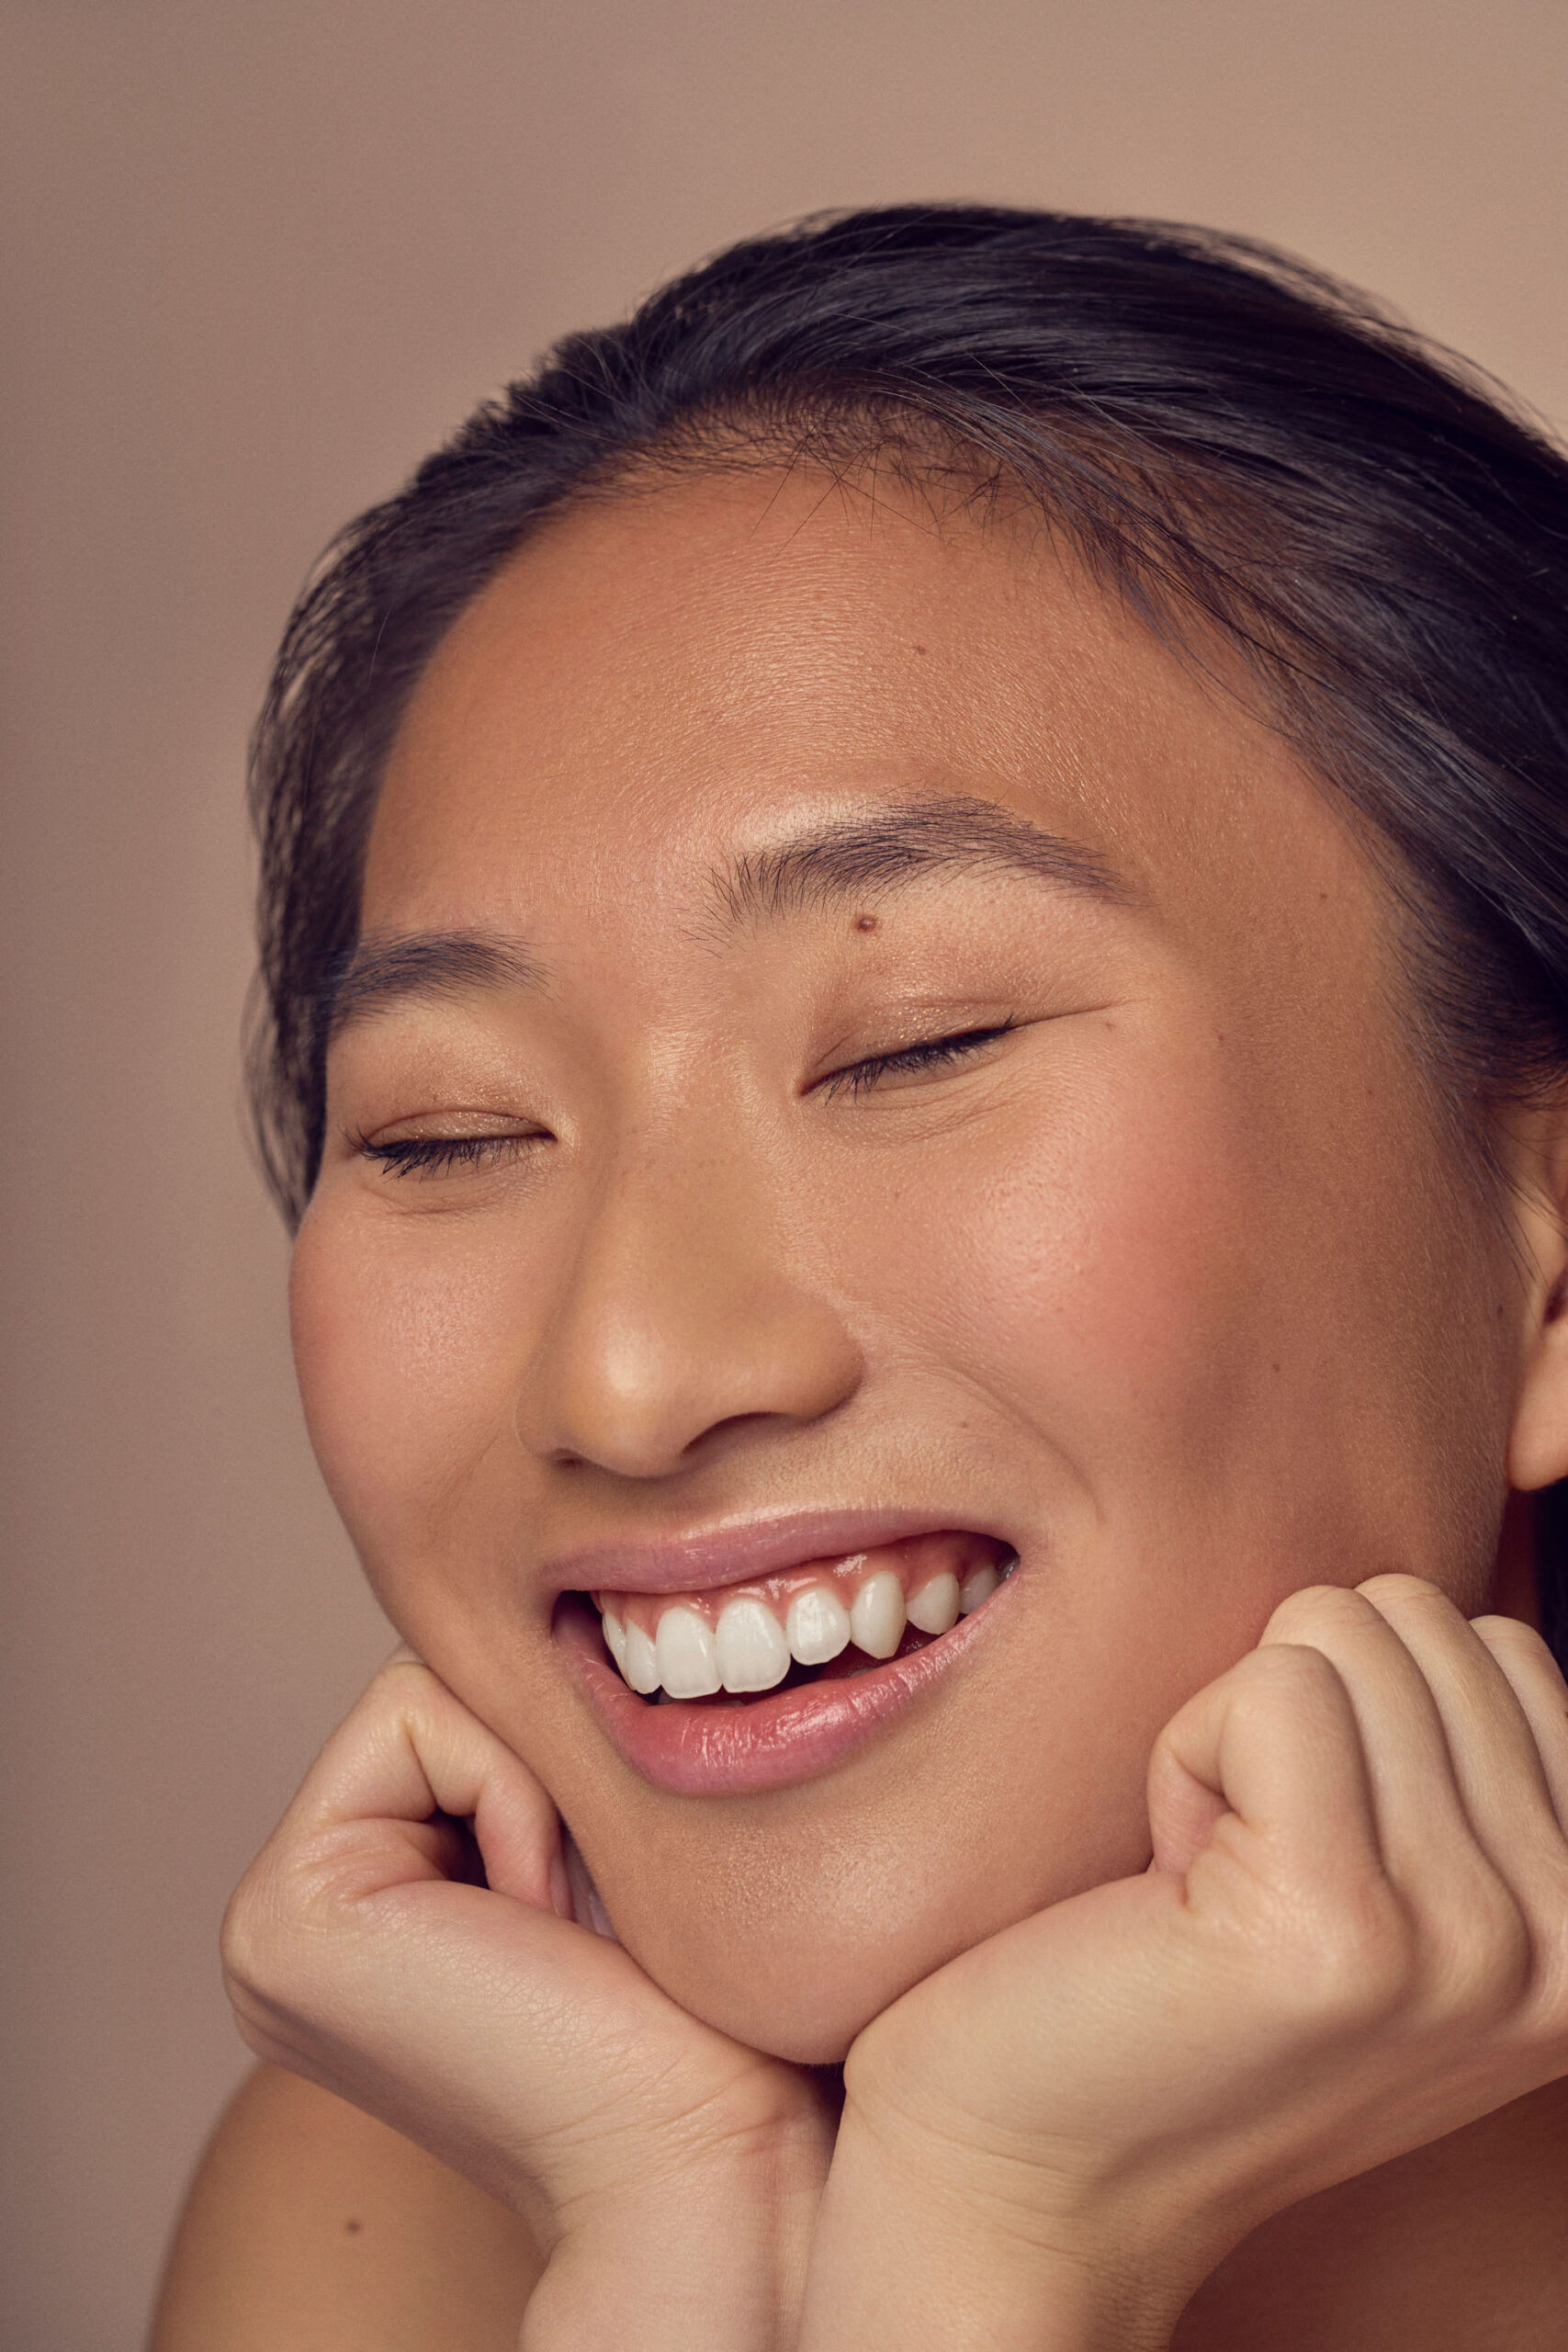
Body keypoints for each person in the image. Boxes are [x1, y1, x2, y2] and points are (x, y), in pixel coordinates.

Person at [151, 207, 1568, 2349]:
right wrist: (852, 2245)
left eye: (917, 1047)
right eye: (446, 1133)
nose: (629, 1375)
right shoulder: (397, 2213)